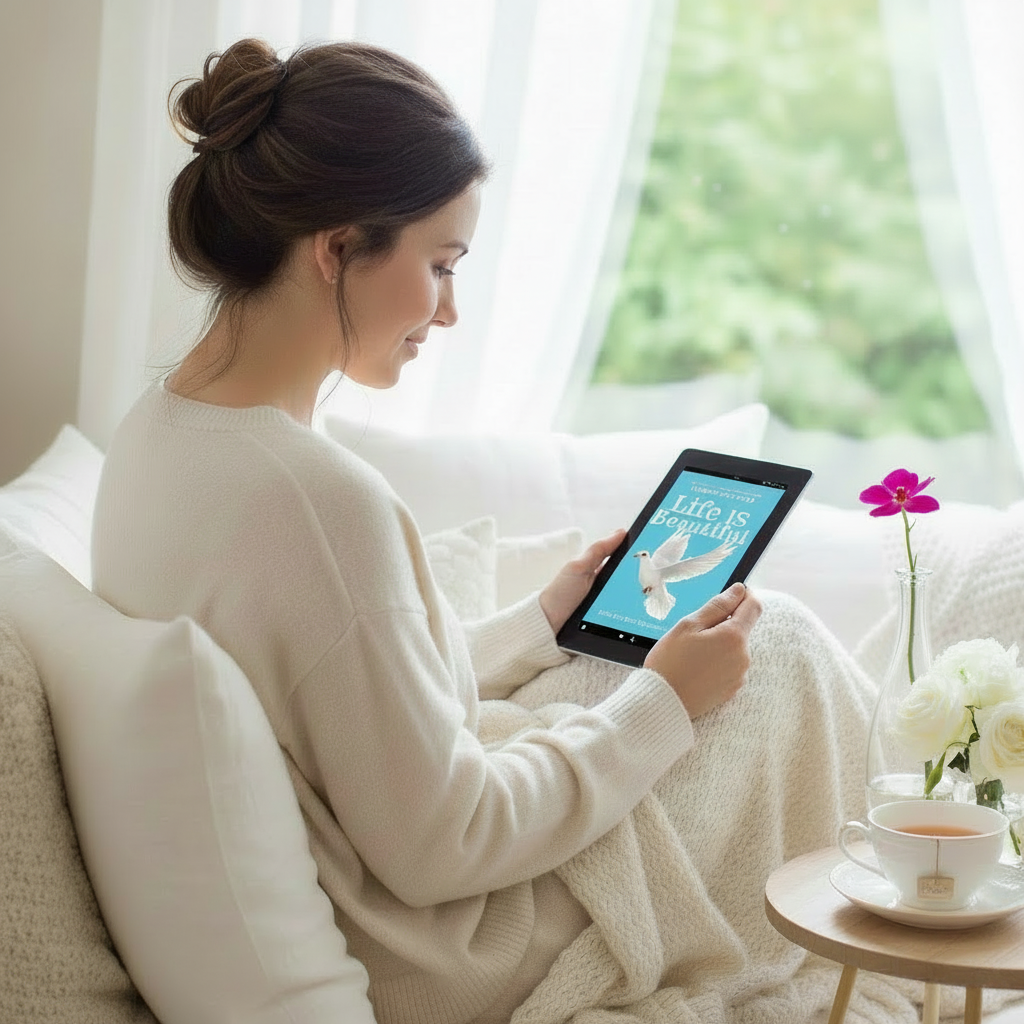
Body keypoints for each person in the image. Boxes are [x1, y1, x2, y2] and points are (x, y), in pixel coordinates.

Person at [92, 37, 895, 1024]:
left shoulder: (157, 435)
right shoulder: (314, 497)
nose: (450, 310)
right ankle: (949, 886)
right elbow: (443, 844)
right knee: (782, 655)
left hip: (385, 904)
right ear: (337, 248)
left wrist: (535, 624)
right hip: (445, 949)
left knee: (709, 656)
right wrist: (665, 705)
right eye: (439, 265)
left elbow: (340, 717)